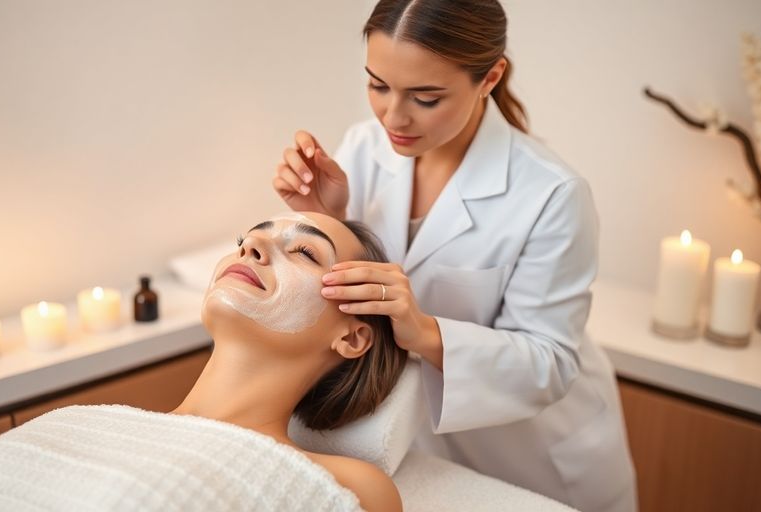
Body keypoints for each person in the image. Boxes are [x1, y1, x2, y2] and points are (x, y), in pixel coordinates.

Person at [271, 1, 637, 510]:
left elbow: (549, 362)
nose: (393, 117)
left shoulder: (552, 194)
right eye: (378, 85)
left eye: (425, 97)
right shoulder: (363, 149)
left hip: (538, 456)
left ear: (490, 77)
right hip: (419, 448)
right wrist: (326, 219)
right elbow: (341, 302)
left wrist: (422, 330)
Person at [173, 211, 406, 512]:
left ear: (352, 339)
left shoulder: (345, 487)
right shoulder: (97, 425)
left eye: (305, 252)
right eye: (243, 240)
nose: (250, 245)